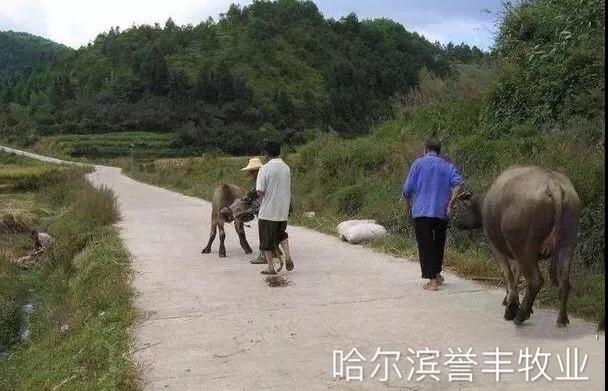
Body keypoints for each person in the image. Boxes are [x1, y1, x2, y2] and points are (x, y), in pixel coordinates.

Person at [402, 136, 463, 291]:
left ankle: (432, 281)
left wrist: (407, 206)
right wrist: (451, 203)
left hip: (422, 212)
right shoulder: (447, 166)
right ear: (439, 150)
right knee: (438, 244)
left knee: (426, 245)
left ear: (426, 149)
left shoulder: (418, 164)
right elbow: (458, 184)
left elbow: (407, 189)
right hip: (441, 213)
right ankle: (437, 274)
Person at [256, 141, 294, 275]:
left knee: (266, 241)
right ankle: (287, 255)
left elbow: (260, 191)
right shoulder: (286, 168)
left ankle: (271, 267)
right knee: (281, 234)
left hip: (268, 211)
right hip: (283, 210)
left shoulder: (264, 169)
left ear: (267, 154)